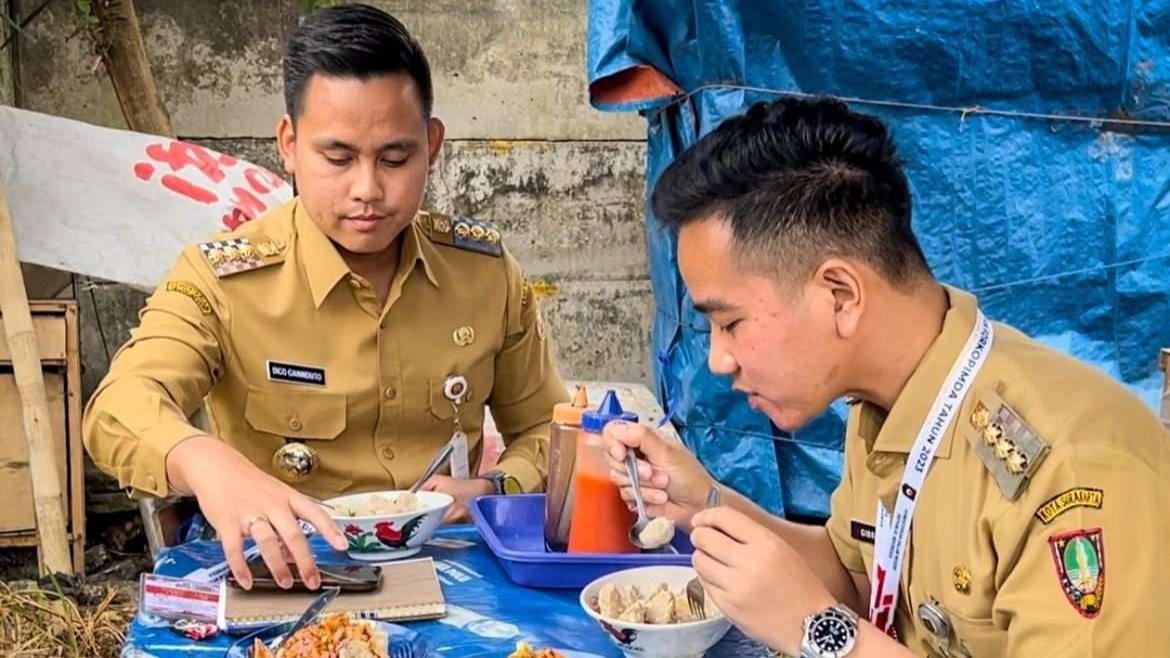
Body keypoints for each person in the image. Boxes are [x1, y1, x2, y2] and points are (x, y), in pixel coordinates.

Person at [606, 96, 1170, 656]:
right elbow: (856, 577)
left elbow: (826, 612)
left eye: (730, 322)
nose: (719, 361)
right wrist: (707, 502)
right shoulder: (889, 399)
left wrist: (816, 631)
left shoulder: (1069, 470)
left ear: (840, 295)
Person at [83, 3, 566, 592]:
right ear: (288, 144)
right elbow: (119, 407)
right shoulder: (225, 280)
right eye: (337, 158)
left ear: (432, 145)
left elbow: (548, 427)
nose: (367, 190)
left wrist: (492, 489)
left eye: (395, 158)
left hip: (457, 575)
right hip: (287, 574)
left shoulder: (484, 276)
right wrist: (205, 463)